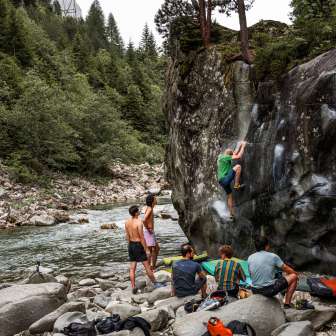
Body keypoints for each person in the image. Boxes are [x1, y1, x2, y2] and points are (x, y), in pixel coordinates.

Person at [248, 236, 298, 308]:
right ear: (267, 246)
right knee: (294, 276)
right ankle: (287, 304)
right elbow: (287, 269)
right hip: (269, 290)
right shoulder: (273, 256)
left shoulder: (250, 257)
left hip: (255, 290)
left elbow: (250, 274)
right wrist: (296, 274)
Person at [125, 205, 164, 294]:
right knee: (147, 266)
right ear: (135, 213)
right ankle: (156, 283)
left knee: (132, 268)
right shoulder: (139, 223)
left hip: (131, 245)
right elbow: (142, 237)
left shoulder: (127, 222)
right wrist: (146, 249)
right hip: (138, 245)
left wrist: (129, 246)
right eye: (138, 211)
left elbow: (127, 236)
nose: (139, 212)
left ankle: (133, 286)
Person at [217, 141, 247, 219]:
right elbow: (238, 156)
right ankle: (236, 185)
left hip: (221, 181)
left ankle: (231, 214)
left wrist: (239, 144)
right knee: (238, 166)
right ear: (227, 155)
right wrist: (243, 146)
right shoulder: (224, 157)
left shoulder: (223, 157)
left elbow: (234, 153)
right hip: (224, 179)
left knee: (229, 196)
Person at [143, 194, 160, 270]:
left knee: (156, 248)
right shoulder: (149, 208)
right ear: (152, 201)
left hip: (150, 231)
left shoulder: (150, 208)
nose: (156, 200)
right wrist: (148, 228)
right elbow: (144, 220)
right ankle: (149, 268)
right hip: (148, 231)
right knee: (150, 250)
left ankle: (153, 266)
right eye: (155, 199)